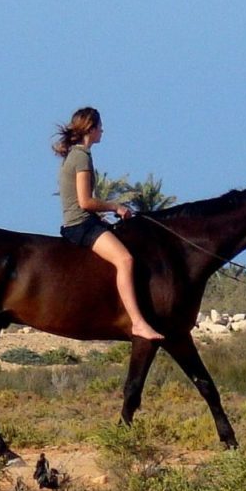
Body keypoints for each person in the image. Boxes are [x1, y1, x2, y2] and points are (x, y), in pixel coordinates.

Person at [54, 107, 164, 341]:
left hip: (84, 221)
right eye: (99, 127)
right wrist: (116, 207)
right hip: (81, 225)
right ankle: (137, 323)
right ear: (91, 129)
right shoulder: (81, 156)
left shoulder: (75, 155)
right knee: (125, 260)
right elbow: (85, 201)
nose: (102, 131)